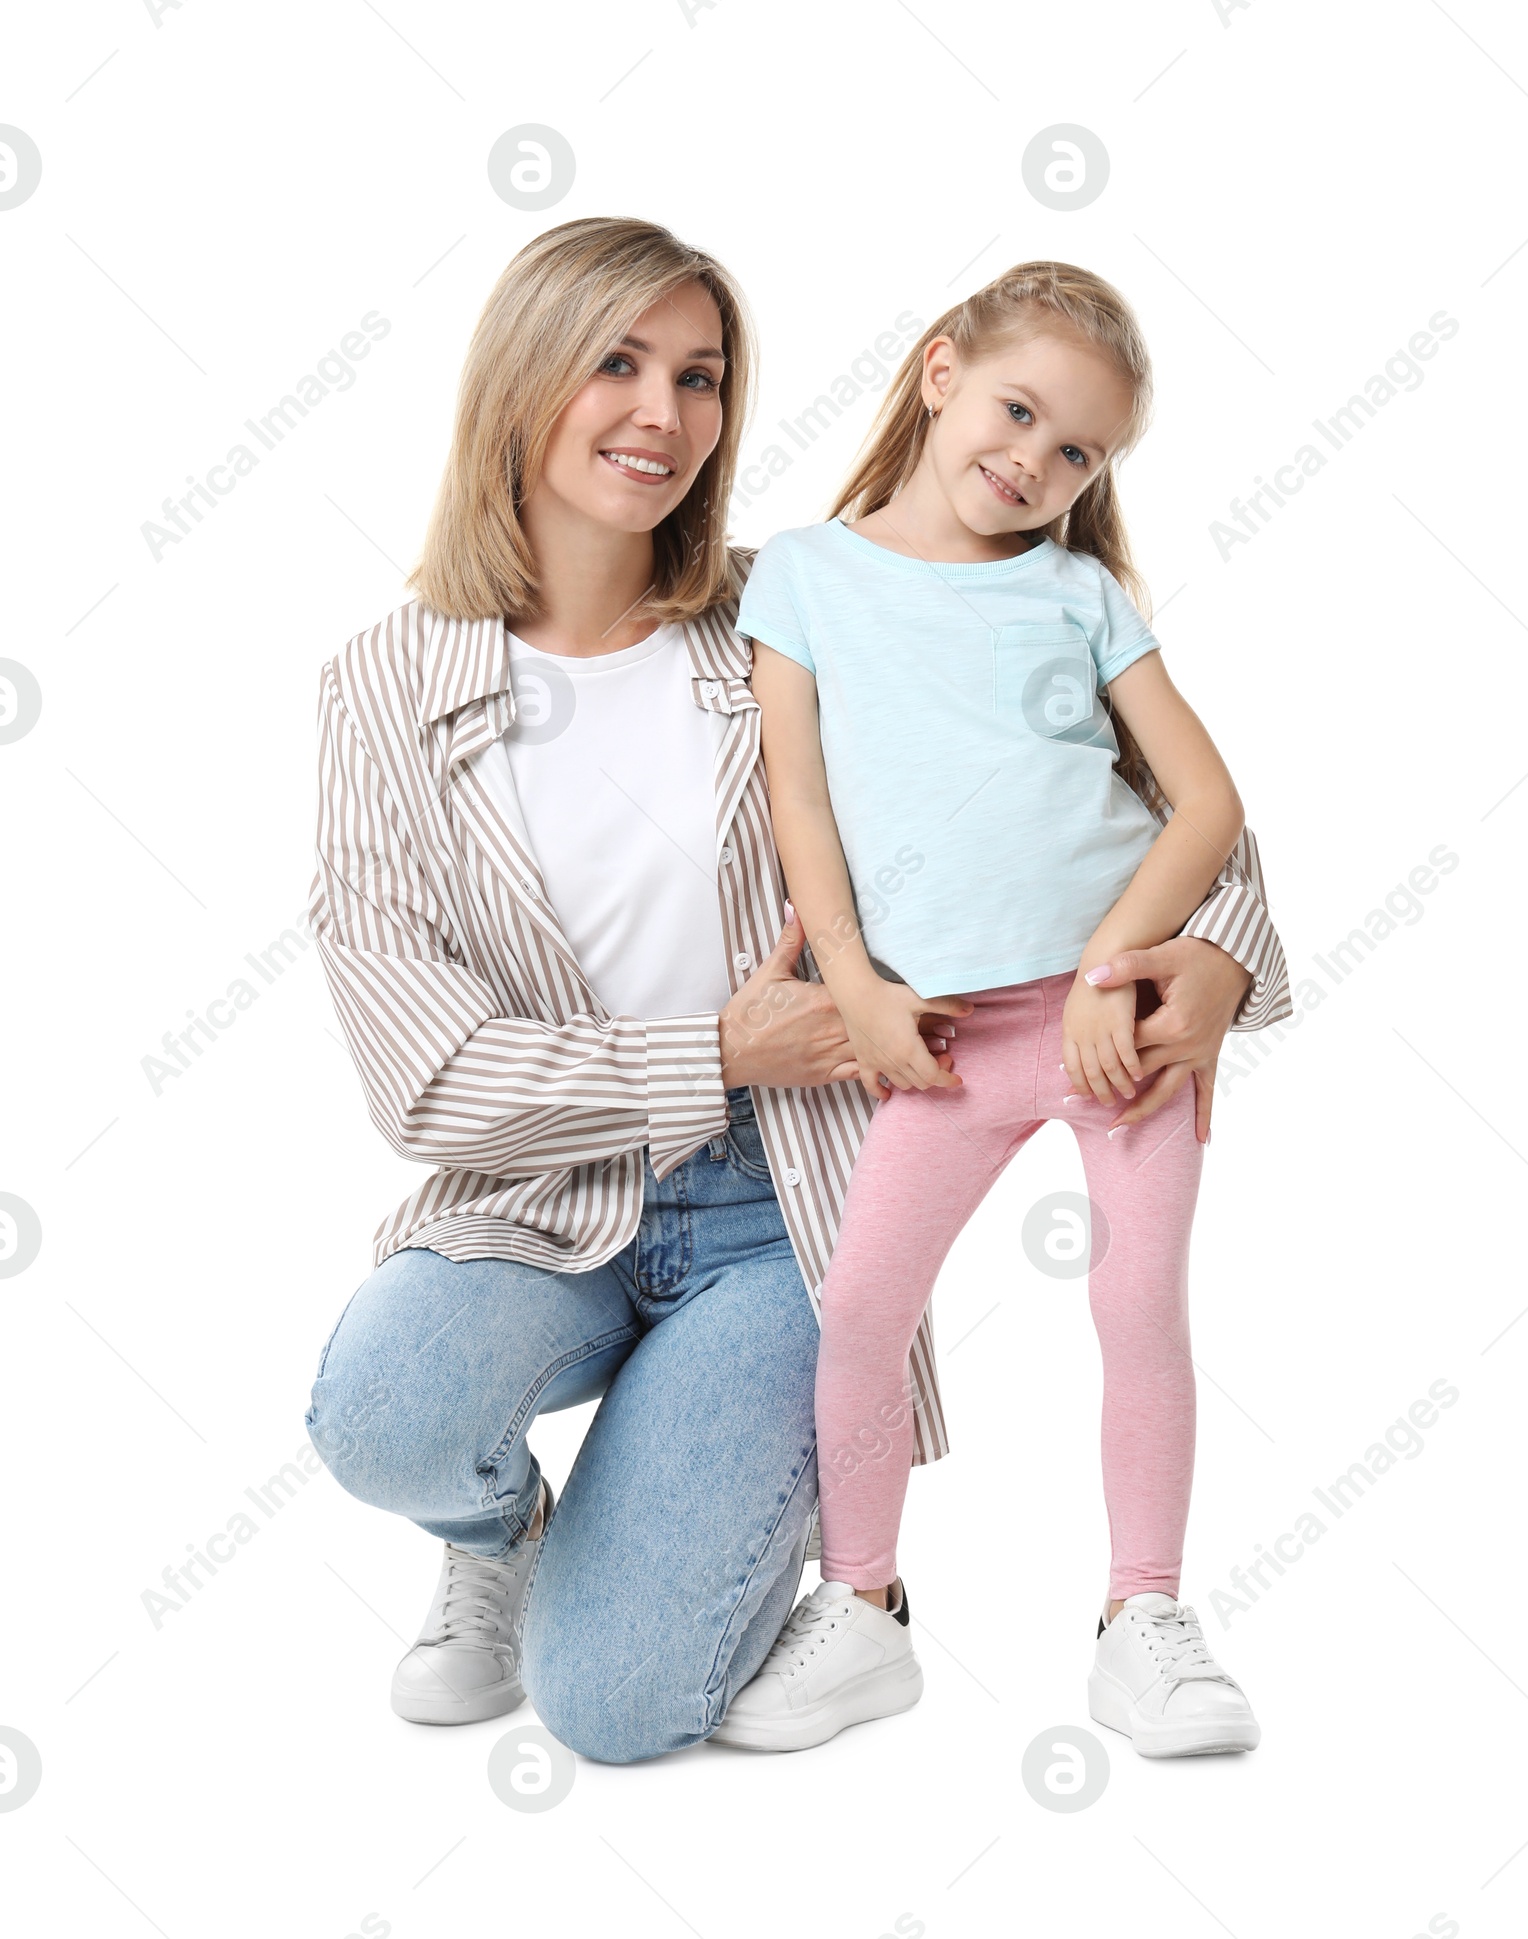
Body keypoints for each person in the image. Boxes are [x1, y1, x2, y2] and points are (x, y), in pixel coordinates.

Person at [303, 219, 1289, 1765]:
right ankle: (499, 1532)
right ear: (517, 380)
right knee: (384, 1417)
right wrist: (718, 1048)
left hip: (788, 1199)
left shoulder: (802, 599)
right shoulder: (381, 686)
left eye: (699, 376)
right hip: (541, 1204)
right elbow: (424, 1079)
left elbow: (1112, 807)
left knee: (619, 1711)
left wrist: (1218, 960)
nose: (662, 413)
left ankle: (735, 1467)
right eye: (615, 364)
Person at [717, 261, 1283, 1759]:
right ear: (938, 372)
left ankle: (1143, 1616)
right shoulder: (807, 577)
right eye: (1019, 411)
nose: (1034, 461)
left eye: (1079, 451)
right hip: (944, 1040)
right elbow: (800, 806)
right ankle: (863, 1609)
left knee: (1136, 1302)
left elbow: (1206, 804)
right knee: (860, 1311)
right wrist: (853, 986)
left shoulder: (1081, 593)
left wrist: (1116, 971)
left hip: (1114, 1030)